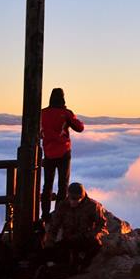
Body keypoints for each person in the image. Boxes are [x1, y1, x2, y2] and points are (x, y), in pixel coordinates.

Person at [41, 182, 108, 272]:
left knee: (96, 244)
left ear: (82, 197)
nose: (73, 201)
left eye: (76, 199)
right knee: (53, 254)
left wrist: (93, 235)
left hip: (84, 239)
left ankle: (84, 265)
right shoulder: (63, 205)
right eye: (71, 198)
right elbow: (54, 226)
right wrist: (49, 244)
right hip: (68, 240)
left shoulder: (93, 206)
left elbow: (102, 224)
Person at [40, 87, 85, 219]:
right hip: (63, 152)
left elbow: (39, 132)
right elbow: (80, 128)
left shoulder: (42, 113)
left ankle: (45, 216)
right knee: (63, 185)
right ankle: (59, 215)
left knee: (47, 185)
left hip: (48, 153)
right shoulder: (65, 113)